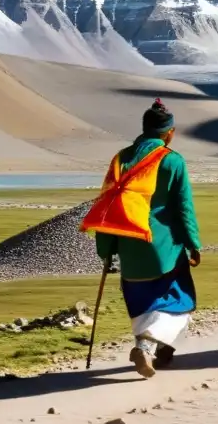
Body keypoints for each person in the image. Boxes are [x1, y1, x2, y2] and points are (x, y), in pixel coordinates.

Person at [81, 99, 202, 379]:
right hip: (165, 248)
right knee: (179, 299)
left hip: (128, 245)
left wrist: (108, 247)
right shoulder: (172, 161)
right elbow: (184, 208)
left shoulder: (120, 158)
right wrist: (193, 243)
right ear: (169, 133)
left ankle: (158, 347)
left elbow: (108, 203)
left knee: (141, 300)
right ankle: (147, 346)